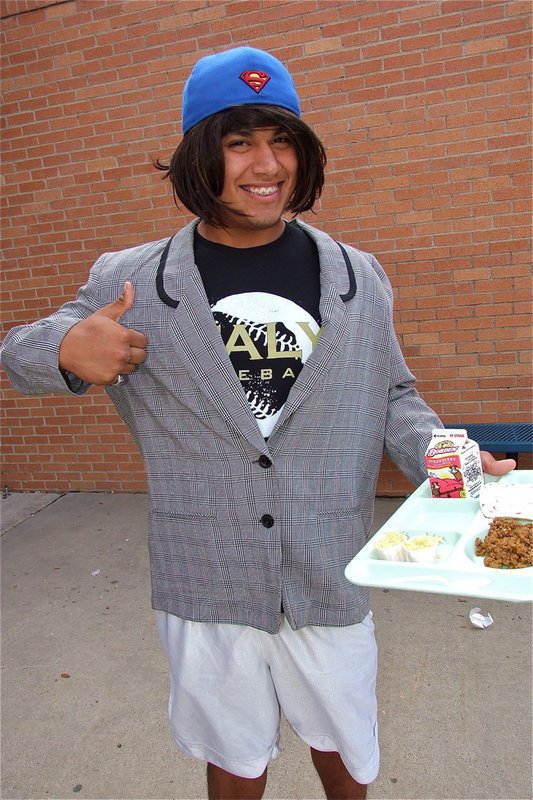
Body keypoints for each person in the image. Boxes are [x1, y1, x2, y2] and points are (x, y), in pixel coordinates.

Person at [0, 46, 514, 800]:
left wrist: (454, 463)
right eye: (238, 142)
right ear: (199, 158)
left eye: (281, 142)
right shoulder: (133, 280)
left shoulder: (357, 275)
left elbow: (393, 393)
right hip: (206, 571)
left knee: (346, 745)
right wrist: (67, 349)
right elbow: (19, 352)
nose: (263, 164)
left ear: (303, 157)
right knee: (233, 755)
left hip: (328, 566)